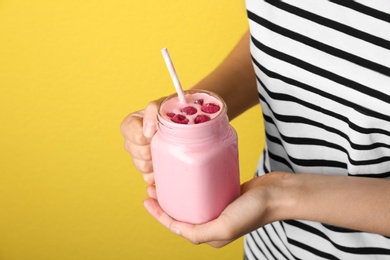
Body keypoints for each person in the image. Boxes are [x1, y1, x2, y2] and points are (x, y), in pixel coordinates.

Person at [121, 1, 390, 259]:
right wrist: (202, 113)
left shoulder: (273, 199)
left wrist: (280, 197)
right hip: (273, 244)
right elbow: (287, 37)